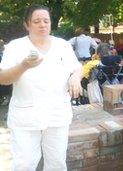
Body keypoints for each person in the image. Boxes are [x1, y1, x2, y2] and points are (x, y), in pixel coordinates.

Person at [0, 4, 82, 170]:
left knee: (57, 163)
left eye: (46, 21)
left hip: (57, 115)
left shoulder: (63, 45)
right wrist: (24, 65)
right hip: (26, 117)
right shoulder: (15, 47)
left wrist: (76, 77)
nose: (42, 24)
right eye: (36, 21)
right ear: (27, 24)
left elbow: (77, 67)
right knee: (24, 164)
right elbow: (3, 79)